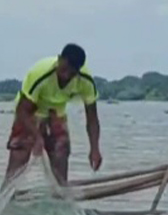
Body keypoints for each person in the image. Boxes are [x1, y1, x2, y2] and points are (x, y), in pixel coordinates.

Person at [6, 43, 102, 185]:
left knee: (60, 152)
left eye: (71, 73)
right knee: (20, 152)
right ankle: (8, 192)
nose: (66, 76)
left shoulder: (85, 81)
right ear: (59, 60)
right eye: (64, 70)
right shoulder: (40, 74)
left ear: (78, 71)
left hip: (56, 113)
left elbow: (92, 118)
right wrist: (37, 137)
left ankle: (59, 193)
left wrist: (94, 149)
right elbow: (22, 110)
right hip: (30, 111)